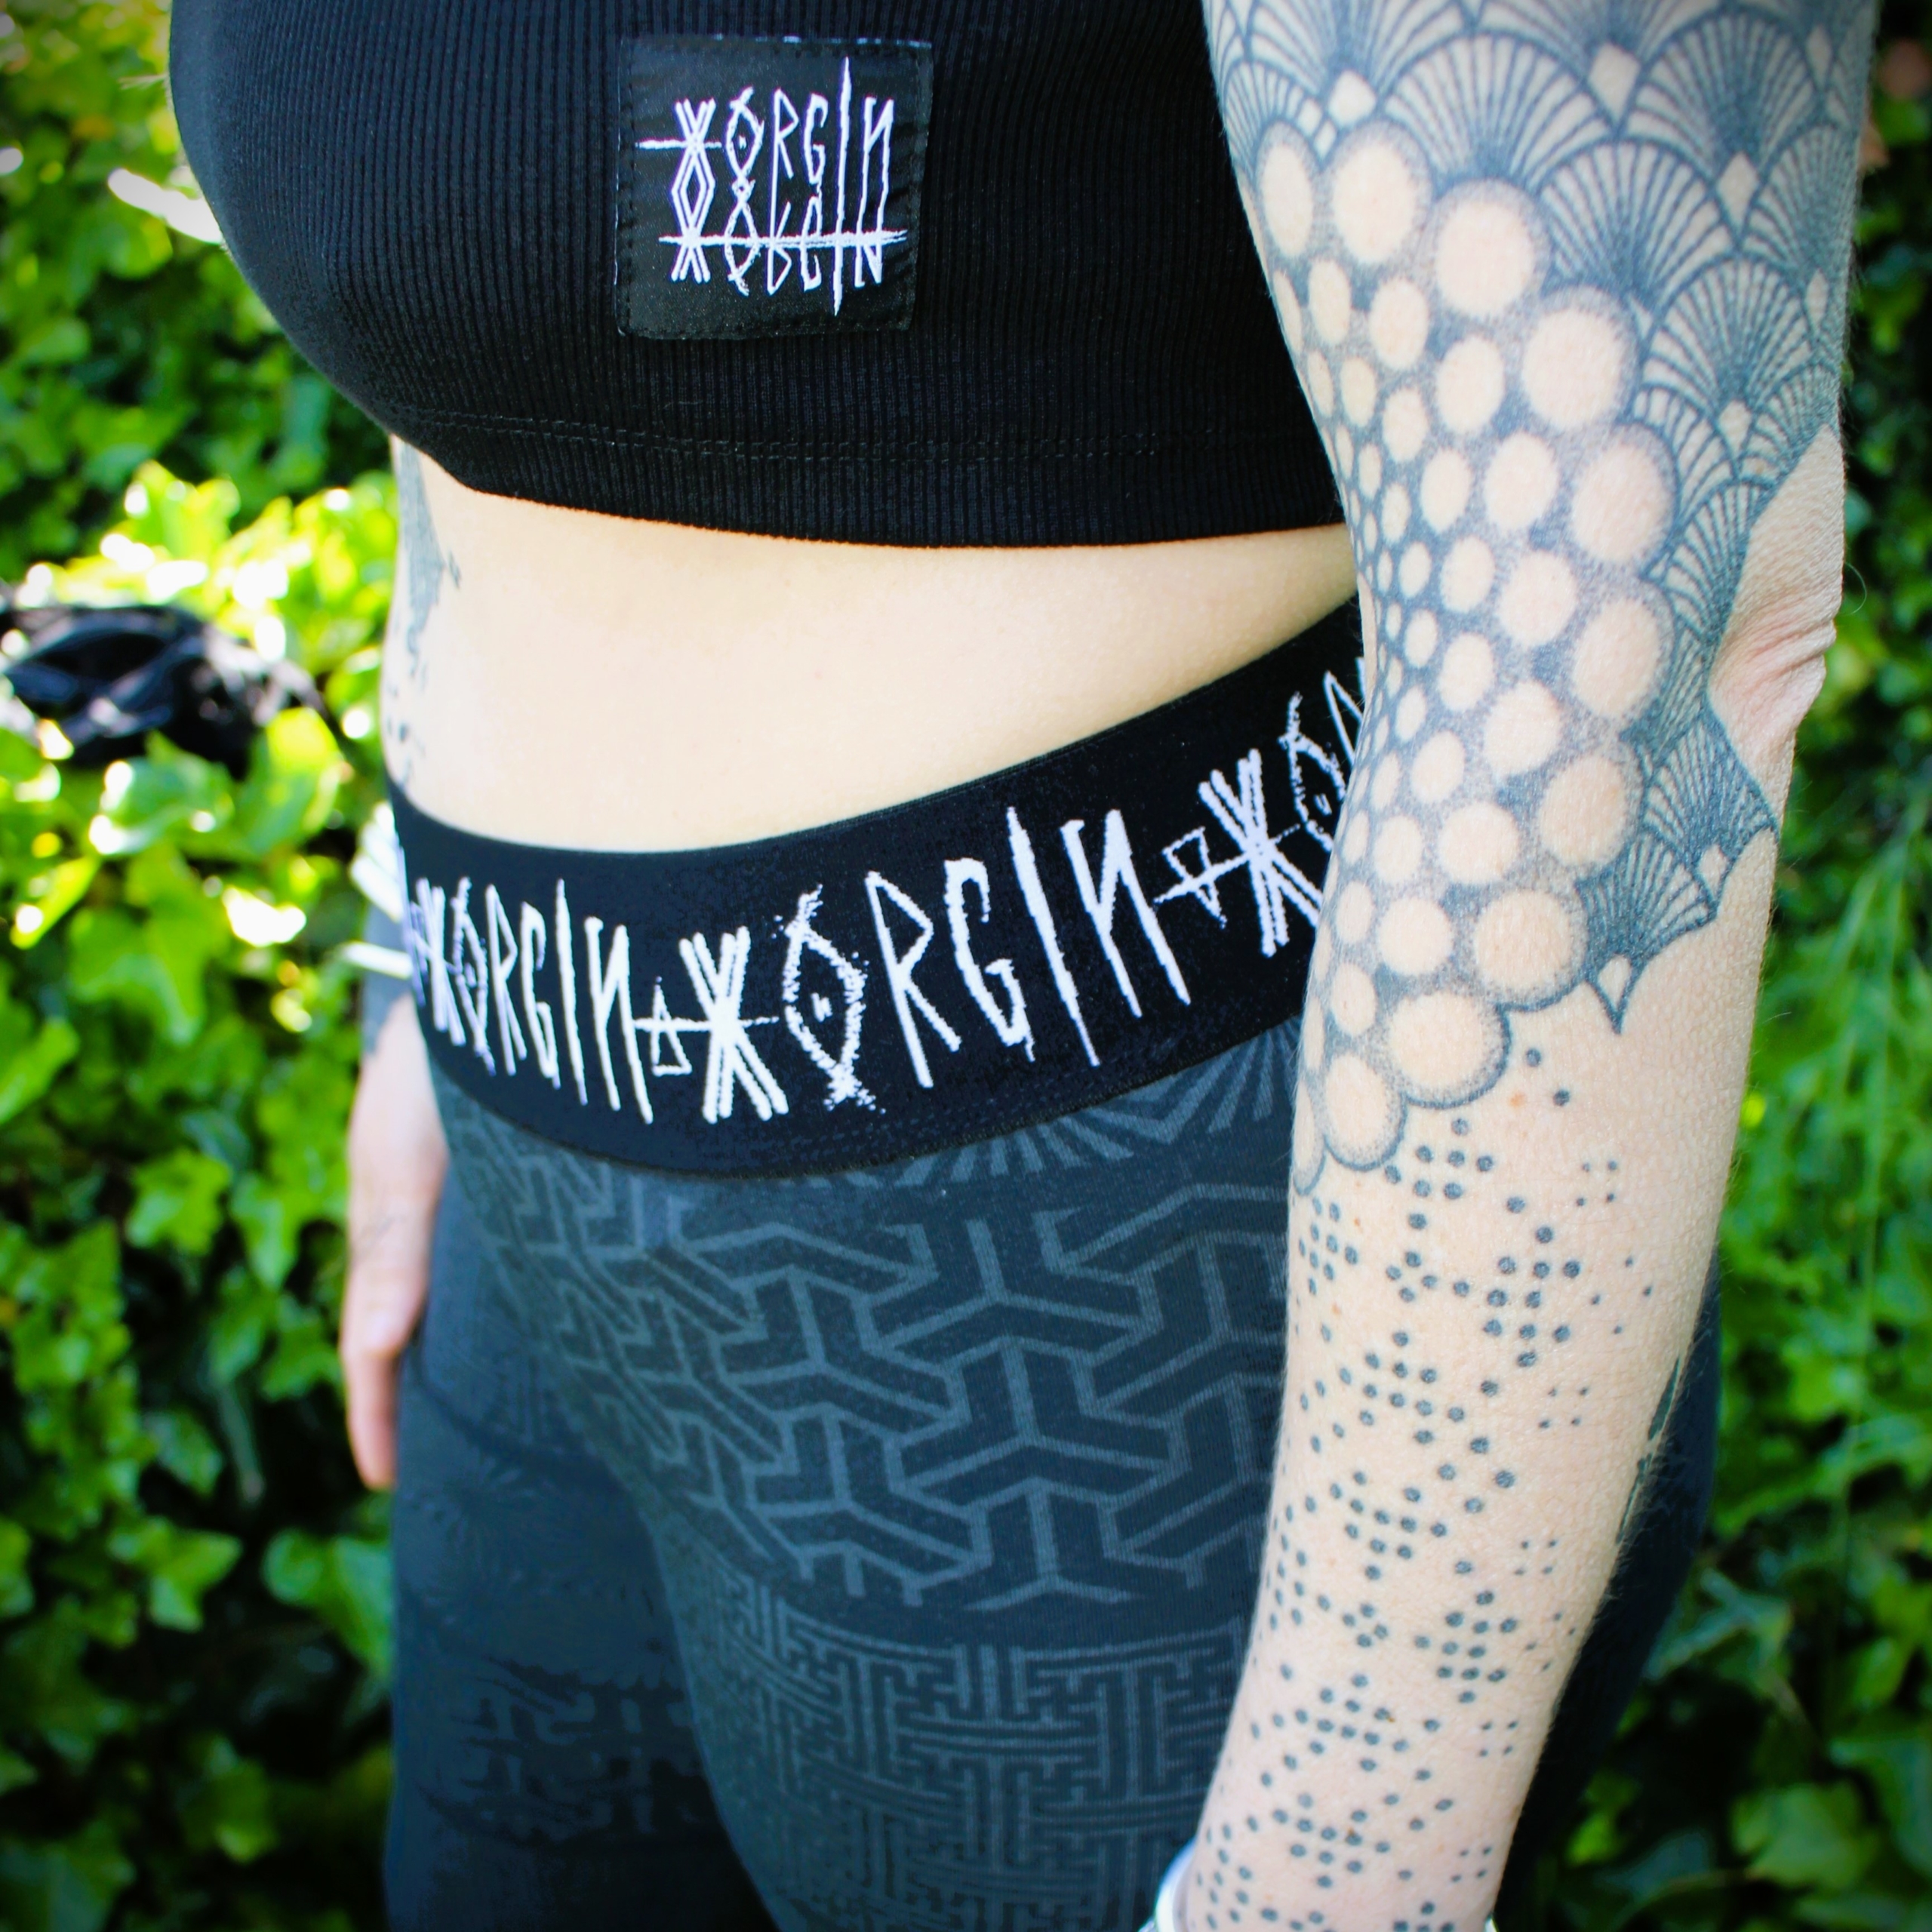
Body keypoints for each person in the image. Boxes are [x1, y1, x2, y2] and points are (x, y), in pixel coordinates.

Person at [169, 2, 1870, 1927]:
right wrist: (428, 928)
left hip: (1112, 1311)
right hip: (526, 1192)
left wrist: (1332, 1879)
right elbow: (486, 320)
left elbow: (1627, 624)